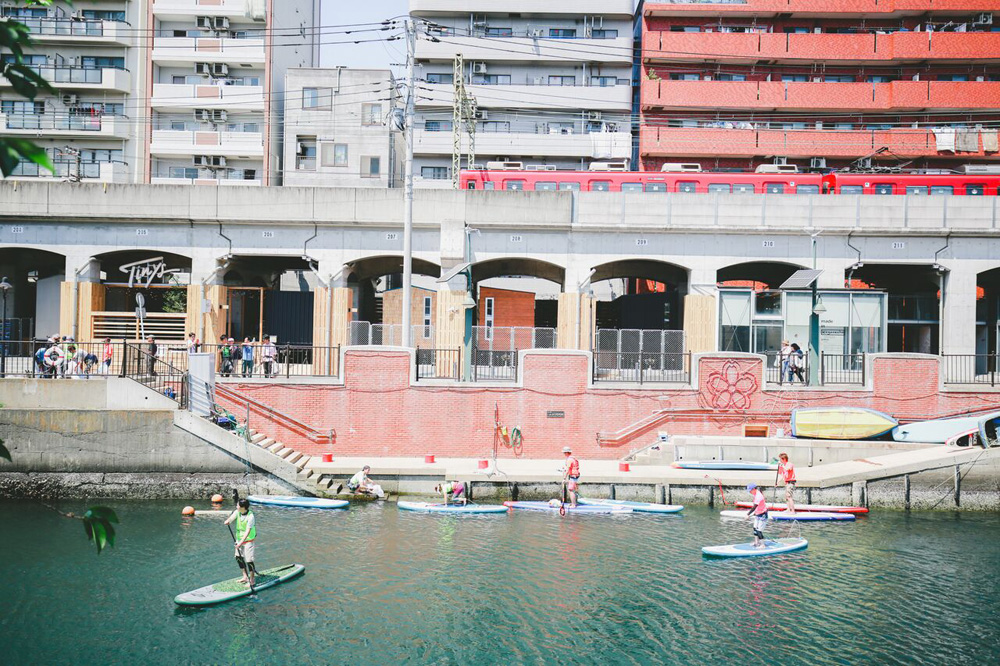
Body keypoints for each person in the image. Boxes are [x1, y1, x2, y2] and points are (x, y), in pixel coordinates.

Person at [224, 499, 257, 587]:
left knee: (249, 560)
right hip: (239, 540)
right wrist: (228, 521)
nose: (236, 506)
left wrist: (240, 543)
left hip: (248, 540)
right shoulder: (237, 512)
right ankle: (245, 577)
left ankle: (252, 579)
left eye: (238, 505)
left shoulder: (251, 516)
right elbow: (231, 518)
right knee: (238, 557)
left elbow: (247, 532)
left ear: (243, 507)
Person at [745, 483, 769, 548]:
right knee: (755, 528)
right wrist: (756, 513)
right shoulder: (756, 493)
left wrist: (748, 514)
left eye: (750, 490)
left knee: (759, 530)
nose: (749, 492)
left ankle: (762, 545)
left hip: (763, 515)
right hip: (758, 514)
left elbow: (754, 507)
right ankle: (756, 542)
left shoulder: (758, 496)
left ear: (754, 489)